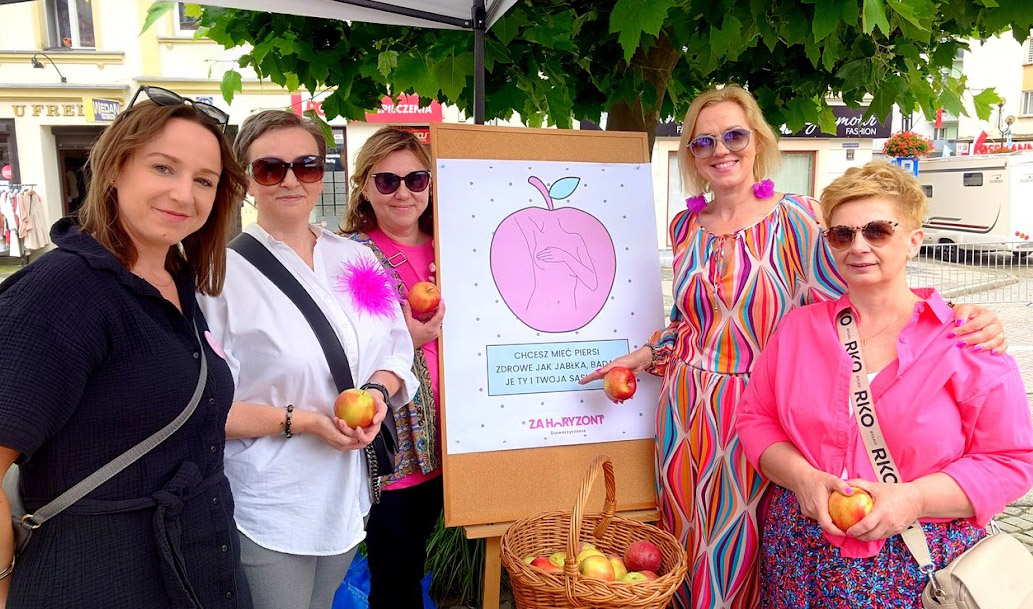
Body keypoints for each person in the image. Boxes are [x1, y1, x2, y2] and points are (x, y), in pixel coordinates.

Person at [579, 84, 1006, 609]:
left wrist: (957, 316)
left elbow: (866, 288)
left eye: (734, 135)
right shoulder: (686, 225)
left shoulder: (798, 218)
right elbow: (687, 322)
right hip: (685, 410)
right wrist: (643, 357)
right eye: (703, 142)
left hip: (762, 415)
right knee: (685, 534)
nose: (721, 150)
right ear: (691, 154)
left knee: (745, 544)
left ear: (757, 141)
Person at [736, 160, 1033, 607]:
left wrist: (912, 499)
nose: (859, 246)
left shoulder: (965, 342)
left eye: (877, 231)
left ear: (914, 240)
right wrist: (803, 480)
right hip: (801, 556)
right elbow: (756, 419)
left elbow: (1010, 460)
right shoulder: (797, 331)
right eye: (842, 234)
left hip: (916, 565)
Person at [0, 88, 252, 607]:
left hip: (198, 565)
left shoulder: (176, 278)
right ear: (115, 169)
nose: (185, 195)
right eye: (163, 168)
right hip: (97, 578)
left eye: (204, 180)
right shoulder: (63, 290)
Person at [196, 110, 417, 609]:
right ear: (247, 179)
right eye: (271, 168)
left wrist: (378, 393)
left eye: (308, 165)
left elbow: (394, 345)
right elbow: (207, 407)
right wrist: (307, 421)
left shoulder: (356, 258)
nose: (292, 180)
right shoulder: (218, 277)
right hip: (272, 499)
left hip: (346, 491)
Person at [339, 127, 445, 609]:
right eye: (387, 181)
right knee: (397, 574)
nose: (404, 192)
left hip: (463, 436)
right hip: (399, 448)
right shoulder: (352, 257)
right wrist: (412, 340)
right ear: (364, 186)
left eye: (416, 179)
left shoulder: (456, 245)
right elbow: (353, 347)